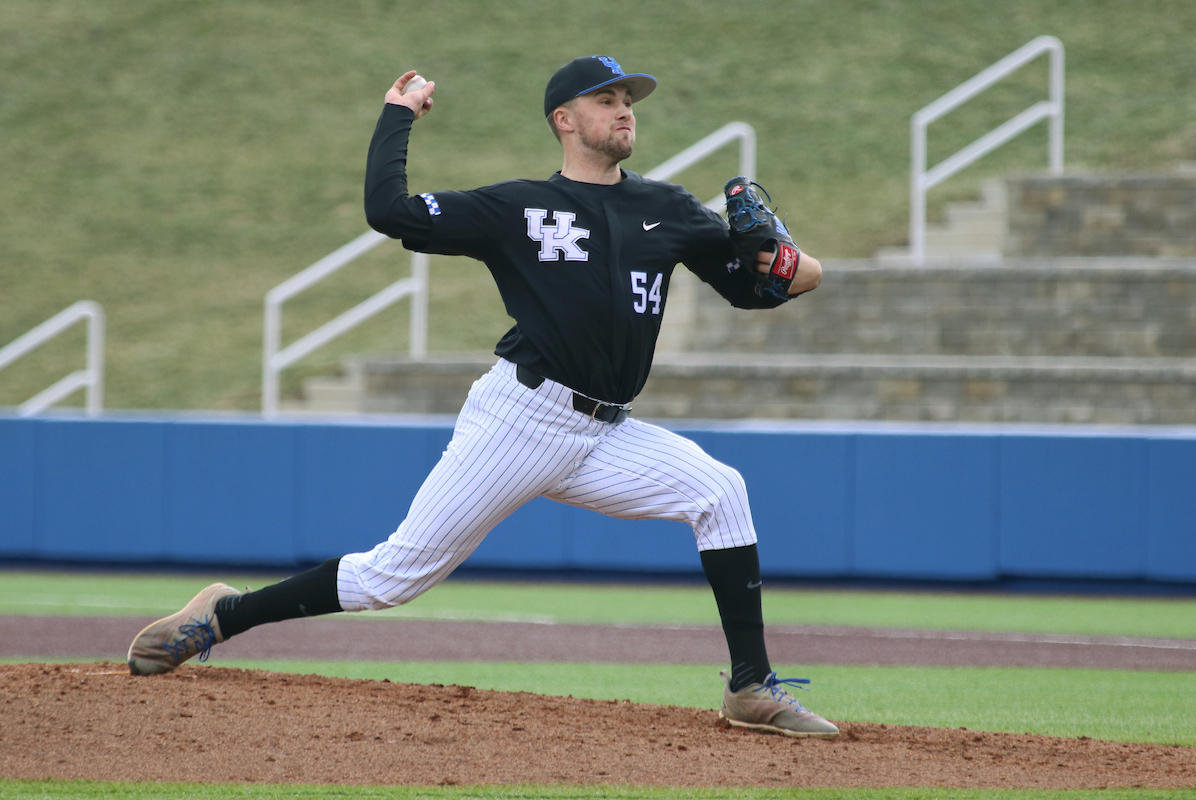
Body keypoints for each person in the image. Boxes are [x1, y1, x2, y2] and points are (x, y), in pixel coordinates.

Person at [127, 56, 836, 738]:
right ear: (565, 118)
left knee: (720, 491)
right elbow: (390, 211)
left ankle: (750, 687)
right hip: (521, 420)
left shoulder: (668, 207)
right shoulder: (518, 207)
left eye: (629, 101)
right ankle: (225, 615)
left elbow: (760, 290)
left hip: (606, 432)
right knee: (392, 578)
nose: (624, 111)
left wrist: (792, 264)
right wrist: (397, 116)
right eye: (607, 99)